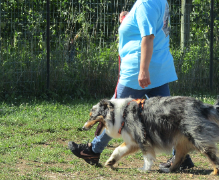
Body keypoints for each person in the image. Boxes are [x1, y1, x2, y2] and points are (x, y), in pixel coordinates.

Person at [68, 0, 194, 171]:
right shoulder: (160, 1)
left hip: (138, 70)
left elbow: (148, 37)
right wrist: (129, 20)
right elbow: (151, 27)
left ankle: (93, 150)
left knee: (113, 112)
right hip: (159, 67)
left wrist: (143, 70)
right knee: (170, 116)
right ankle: (181, 156)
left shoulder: (145, 3)